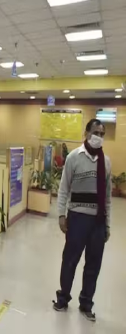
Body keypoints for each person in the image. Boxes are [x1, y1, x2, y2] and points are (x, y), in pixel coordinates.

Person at [53, 119, 111, 322]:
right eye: (95, 132)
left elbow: (108, 198)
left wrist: (107, 225)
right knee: (70, 260)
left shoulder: (106, 162)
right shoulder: (74, 157)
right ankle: (63, 297)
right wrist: (61, 215)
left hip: (98, 221)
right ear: (86, 133)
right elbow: (63, 188)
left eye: (102, 134)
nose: (98, 137)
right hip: (77, 218)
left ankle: (86, 303)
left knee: (93, 264)